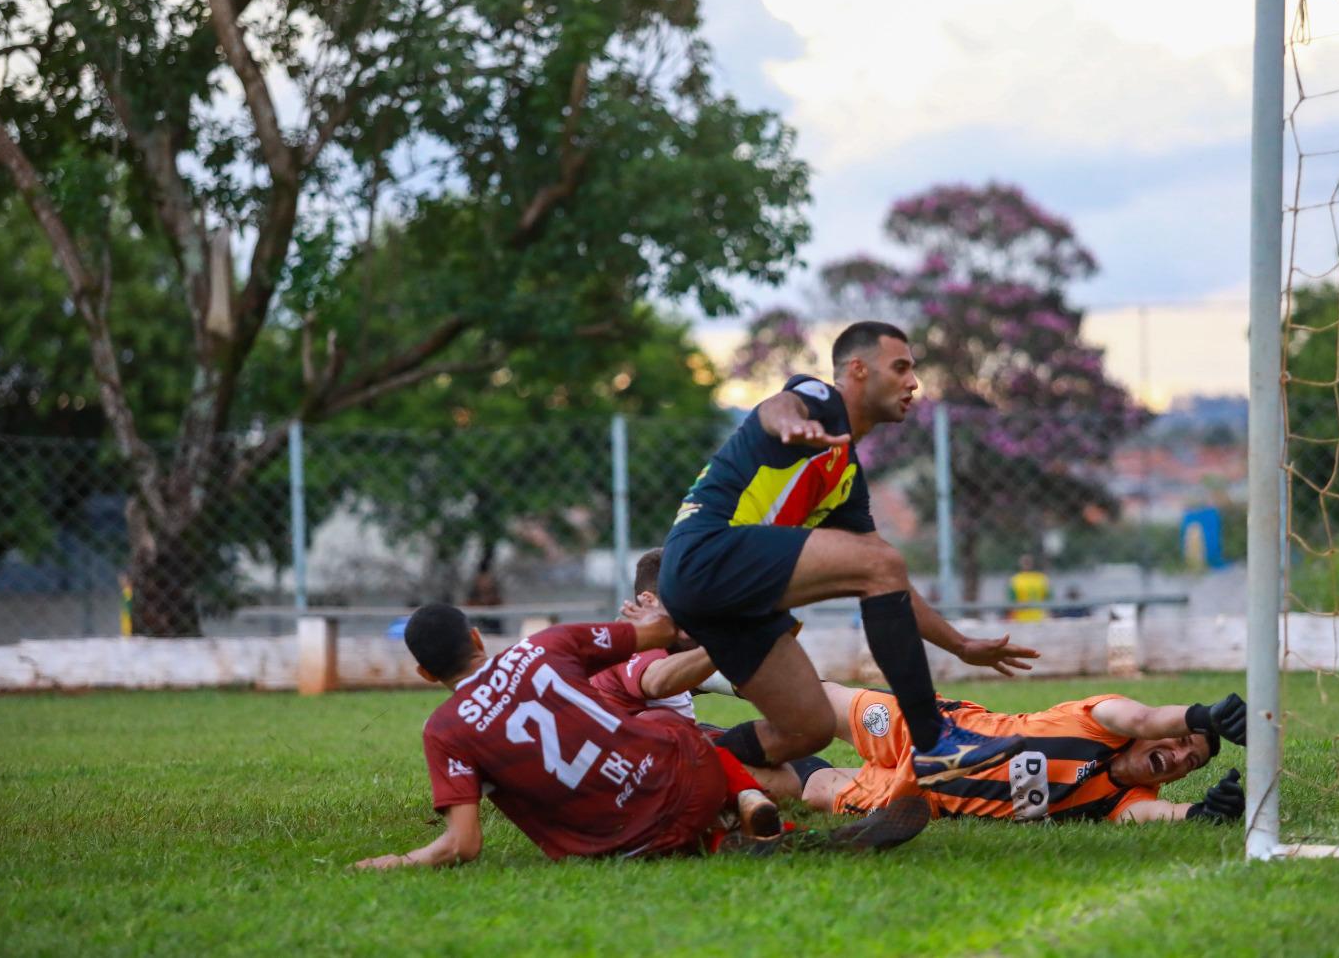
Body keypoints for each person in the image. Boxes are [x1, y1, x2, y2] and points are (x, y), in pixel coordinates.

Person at [659, 321, 1039, 785]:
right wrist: (790, 424)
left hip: (731, 599)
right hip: (705, 553)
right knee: (878, 563)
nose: (913, 383)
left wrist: (959, 645)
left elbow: (886, 577)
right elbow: (780, 405)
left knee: (807, 729)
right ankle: (933, 741)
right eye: (900, 368)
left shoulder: (845, 480)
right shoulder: (819, 402)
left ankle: (673, 763)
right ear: (857, 370)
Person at [352, 599, 783, 868]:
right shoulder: (547, 644)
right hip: (695, 783)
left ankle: (725, 836)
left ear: (425, 673)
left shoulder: (445, 730)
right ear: (477, 637)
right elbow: (662, 632)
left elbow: (462, 845)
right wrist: (656, 615)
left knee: (649, 800)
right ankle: (746, 799)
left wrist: (396, 861)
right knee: (659, 722)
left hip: (625, 848)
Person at [751, 682, 1247, 826]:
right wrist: (1202, 715)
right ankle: (704, 673)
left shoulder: (1125, 798)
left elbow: (1157, 814)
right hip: (929, 728)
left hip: (919, 796)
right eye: (1183, 741)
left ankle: (698, 745)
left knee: (804, 788)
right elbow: (1145, 720)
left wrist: (1203, 813)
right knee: (811, 703)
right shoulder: (1105, 716)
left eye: (1192, 761)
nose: (1181, 755)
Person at [588, 547, 719, 720]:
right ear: (650, 601)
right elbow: (657, 682)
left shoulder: (681, 638)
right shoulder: (633, 636)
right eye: (685, 596)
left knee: (762, 732)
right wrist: (724, 644)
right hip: (633, 742)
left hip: (677, 739)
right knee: (660, 719)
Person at [1006, 554, 1051, 622]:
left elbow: (1011, 603)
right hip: (1035, 619)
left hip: (1025, 620)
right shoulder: (1042, 578)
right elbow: (1049, 599)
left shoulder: (1014, 580)